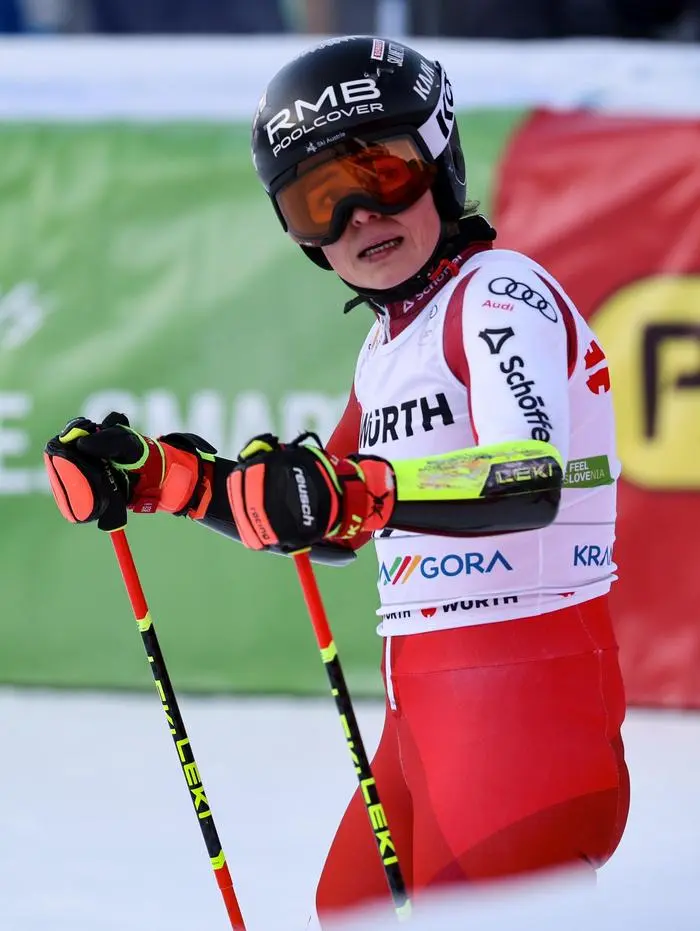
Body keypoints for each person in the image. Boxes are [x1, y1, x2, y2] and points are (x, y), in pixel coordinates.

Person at [44, 36, 630, 926]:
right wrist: (166, 478)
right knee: (348, 908)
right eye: (319, 200)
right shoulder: (389, 343)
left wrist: (358, 492)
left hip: (524, 683)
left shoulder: (498, 294)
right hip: (425, 698)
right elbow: (334, 514)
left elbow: (528, 477)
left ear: (439, 159)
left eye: (382, 172)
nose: (359, 215)